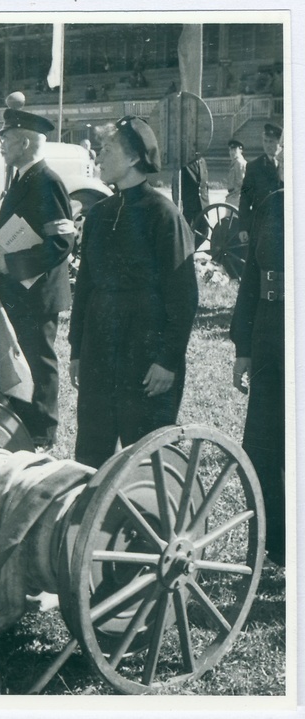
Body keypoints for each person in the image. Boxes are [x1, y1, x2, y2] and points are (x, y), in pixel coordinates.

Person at [69, 116, 199, 468]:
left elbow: (183, 297)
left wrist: (168, 360)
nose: (98, 158)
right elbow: (85, 286)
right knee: (92, 452)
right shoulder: (99, 214)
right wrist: (77, 350)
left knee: (145, 457)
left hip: (144, 353)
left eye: (107, 150)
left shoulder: (164, 215)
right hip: (99, 348)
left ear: (132, 158)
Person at [0, 109, 76, 450]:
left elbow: (63, 242)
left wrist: (11, 264)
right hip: (17, 290)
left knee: (37, 361)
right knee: (11, 358)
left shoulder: (48, 181)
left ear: (23, 142)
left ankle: (42, 433)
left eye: (6, 139)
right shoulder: (22, 178)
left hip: (37, 292)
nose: (1, 145)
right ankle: (17, 425)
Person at [231, 139, 284, 566]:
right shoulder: (273, 205)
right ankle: (279, 543)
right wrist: (243, 348)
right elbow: (251, 278)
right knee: (263, 447)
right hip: (270, 336)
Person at [237, 123, 281, 248]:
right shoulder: (254, 167)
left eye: (271, 141)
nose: (267, 145)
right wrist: (243, 228)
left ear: (280, 143)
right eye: (265, 141)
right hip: (261, 227)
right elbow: (245, 198)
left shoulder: (290, 164)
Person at [171, 156, 209, 227]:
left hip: (202, 205)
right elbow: (176, 186)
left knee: (203, 230)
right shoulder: (184, 164)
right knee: (188, 230)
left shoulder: (202, 161)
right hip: (189, 206)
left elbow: (205, 185)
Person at [225, 139, 248, 206]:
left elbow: (242, 183)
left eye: (235, 150)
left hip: (236, 198)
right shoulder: (235, 162)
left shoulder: (239, 163)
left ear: (240, 150)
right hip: (232, 197)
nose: (232, 152)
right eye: (230, 150)